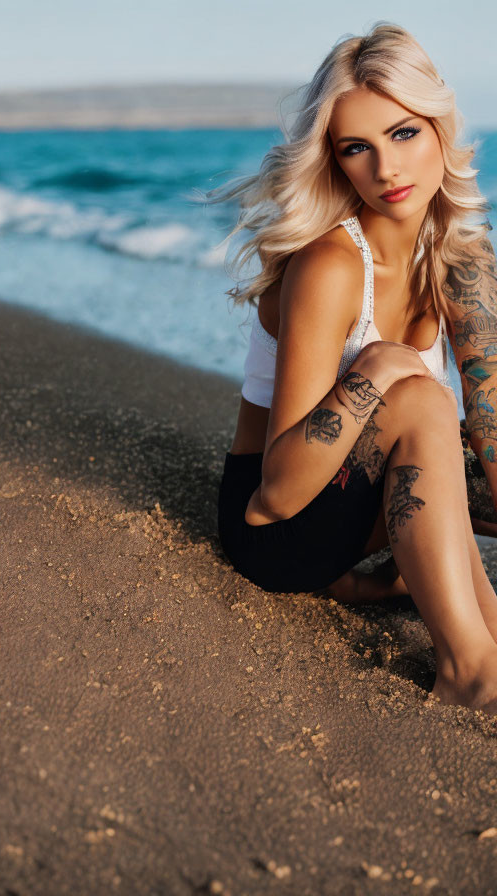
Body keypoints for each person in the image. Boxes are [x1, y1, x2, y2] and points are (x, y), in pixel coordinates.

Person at [212, 22, 497, 715]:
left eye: (403, 134)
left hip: (359, 498)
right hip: (276, 530)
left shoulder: (463, 261)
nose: (387, 170)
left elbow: (490, 437)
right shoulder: (330, 267)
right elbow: (273, 496)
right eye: (357, 149)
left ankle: (478, 629)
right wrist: (372, 370)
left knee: (460, 433)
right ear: (335, 162)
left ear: (438, 130)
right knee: (424, 401)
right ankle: (471, 672)